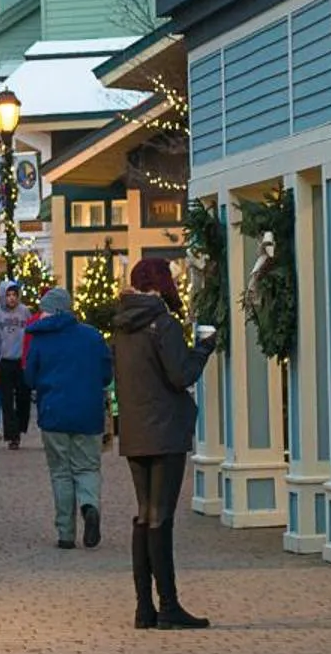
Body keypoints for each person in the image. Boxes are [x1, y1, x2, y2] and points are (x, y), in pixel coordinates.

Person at [112, 258, 217, 630]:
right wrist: (203, 348)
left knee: (144, 515)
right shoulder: (162, 322)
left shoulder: (122, 325)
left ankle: (145, 608)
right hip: (166, 429)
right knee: (160, 518)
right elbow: (180, 375)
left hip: (135, 429)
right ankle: (169, 606)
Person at [23, 288, 114, 550]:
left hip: (54, 414)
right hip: (88, 413)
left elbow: (29, 378)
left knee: (61, 472)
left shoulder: (40, 340)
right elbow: (106, 375)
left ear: (51, 311)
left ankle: (65, 534)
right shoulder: (92, 336)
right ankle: (89, 506)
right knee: (88, 468)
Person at [0, 283, 34, 448]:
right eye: (8, 295)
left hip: (21, 361)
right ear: (3, 296)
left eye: (14, 295)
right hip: (5, 362)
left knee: (23, 397)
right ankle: (12, 436)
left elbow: (30, 334)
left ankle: (20, 426)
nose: (12, 298)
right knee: (6, 401)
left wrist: (29, 357)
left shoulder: (25, 311)